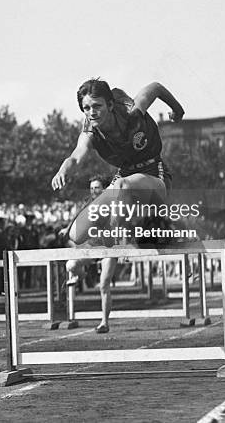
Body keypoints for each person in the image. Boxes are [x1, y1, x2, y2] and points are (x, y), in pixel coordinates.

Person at [52, 79, 184, 332]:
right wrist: (63, 169)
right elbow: (76, 156)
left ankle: (122, 236)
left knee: (121, 186)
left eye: (97, 106)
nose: (92, 113)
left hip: (153, 178)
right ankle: (95, 254)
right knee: (76, 234)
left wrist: (177, 110)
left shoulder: (132, 112)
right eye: (86, 108)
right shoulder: (90, 130)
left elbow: (155, 87)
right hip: (123, 182)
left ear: (110, 105)